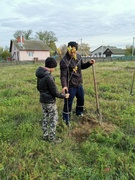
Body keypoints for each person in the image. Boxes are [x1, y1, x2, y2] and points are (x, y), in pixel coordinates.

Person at [60, 41, 95, 126]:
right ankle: (66, 119)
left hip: (79, 83)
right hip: (70, 86)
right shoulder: (64, 61)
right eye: (71, 51)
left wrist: (89, 63)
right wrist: (64, 86)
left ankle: (79, 113)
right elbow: (63, 75)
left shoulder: (78, 57)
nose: (73, 53)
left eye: (75, 51)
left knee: (81, 99)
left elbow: (81, 66)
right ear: (68, 49)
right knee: (68, 102)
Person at [36, 57, 69, 143]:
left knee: (45, 118)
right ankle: (52, 138)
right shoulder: (48, 77)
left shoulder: (40, 74)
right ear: (52, 66)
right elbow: (55, 93)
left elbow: (38, 88)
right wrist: (64, 95)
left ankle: (45, 135)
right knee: (53, 118)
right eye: (54, 67)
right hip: (50, 102)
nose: (54, 69)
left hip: (42, 100)